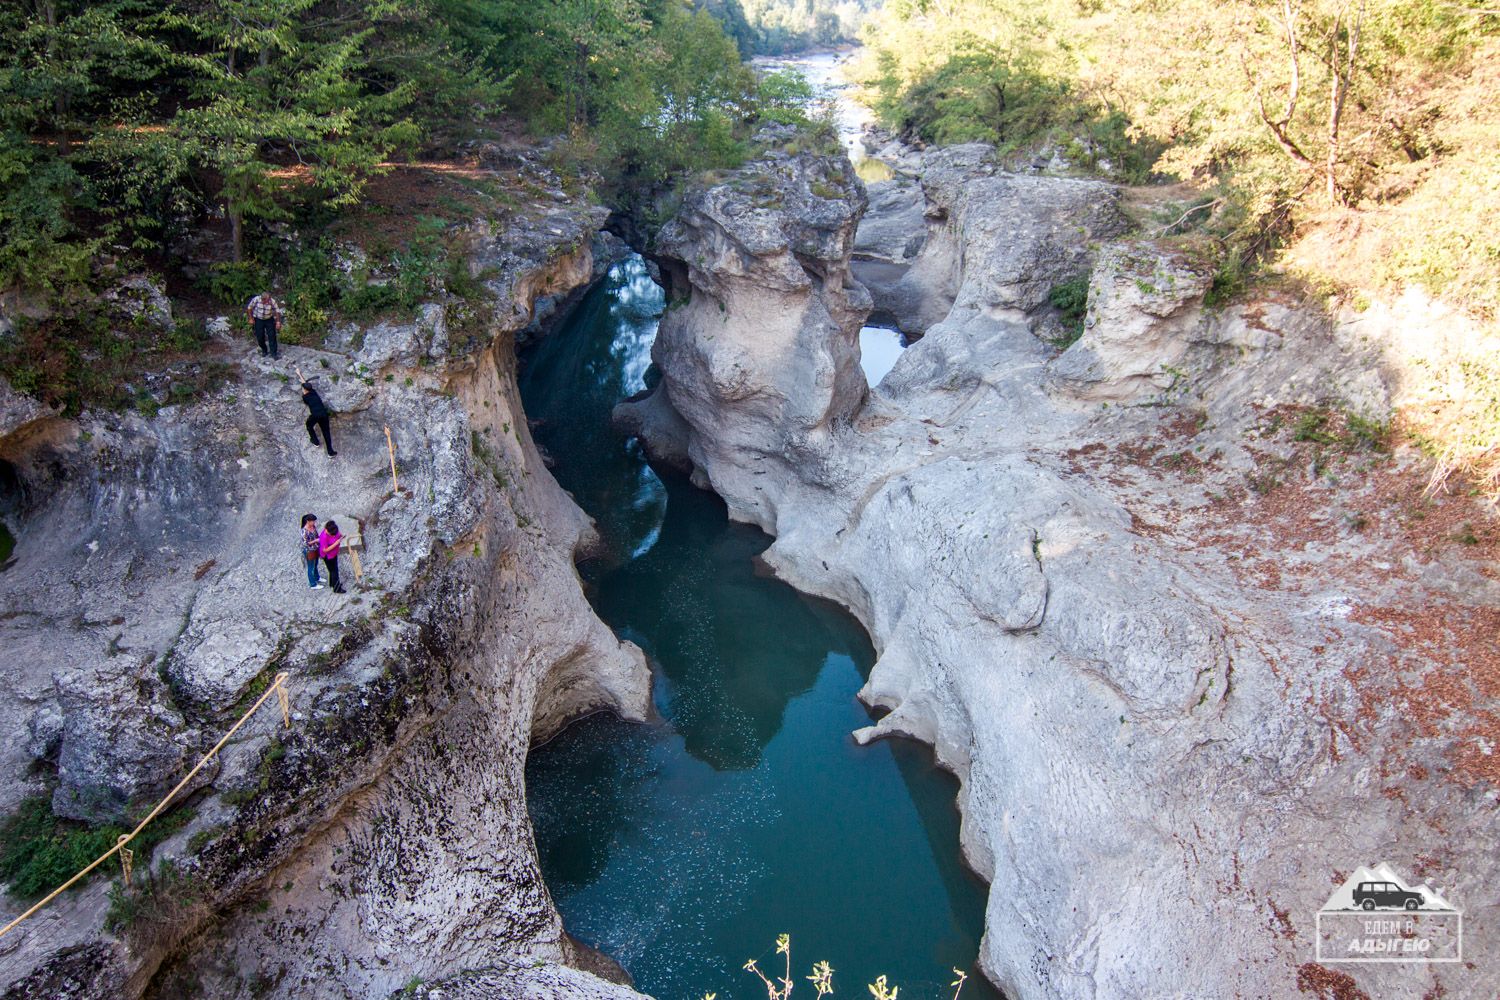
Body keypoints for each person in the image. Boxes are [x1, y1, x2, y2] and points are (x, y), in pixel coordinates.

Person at [301, 381, 337, 457]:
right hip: (324, 414)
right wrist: (299, 374)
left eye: (303, 389)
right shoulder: (314, 392)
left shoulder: (305, 397)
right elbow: (305, 384)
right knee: (326, 432)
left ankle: (315, 441)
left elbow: (305, 389)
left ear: (305, 390)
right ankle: (330, 452)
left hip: (315, 415)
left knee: (308, 425)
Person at [246, 291, 284, 359]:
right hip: (258, 319)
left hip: (269, 319)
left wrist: (278, 322)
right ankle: (264, 350)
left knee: (272, 336)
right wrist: (250, 318)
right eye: (267, 300)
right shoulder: (256, 299)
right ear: (263, 299)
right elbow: (249, 308)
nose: (269, 301)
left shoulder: (272, 301)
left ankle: (274, 353)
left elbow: (277, 311)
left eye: (269, 299)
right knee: (260, 336)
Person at [319, 519, 346, 594]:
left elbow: (337, 533)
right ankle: (337, 588)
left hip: (333, 554)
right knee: (334, 571)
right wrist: (336, 543)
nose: (334, 535)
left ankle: (333, 584)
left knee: (332, 570)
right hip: (328, 557)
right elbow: (325, 550)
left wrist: (341, 535)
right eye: (332, 534)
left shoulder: (333, 529)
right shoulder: (324, 537)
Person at [300, 514, 323, 589]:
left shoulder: (313, 527)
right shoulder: (304, 531)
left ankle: (317, 577)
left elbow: (316, 535)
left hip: (315, 548)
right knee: (311, 567)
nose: (314, 523)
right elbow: (305, 543)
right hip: (309, 551)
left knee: (315, 563)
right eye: (313, 521)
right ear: (308, 521)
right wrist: (315, 541)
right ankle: (312, 584)